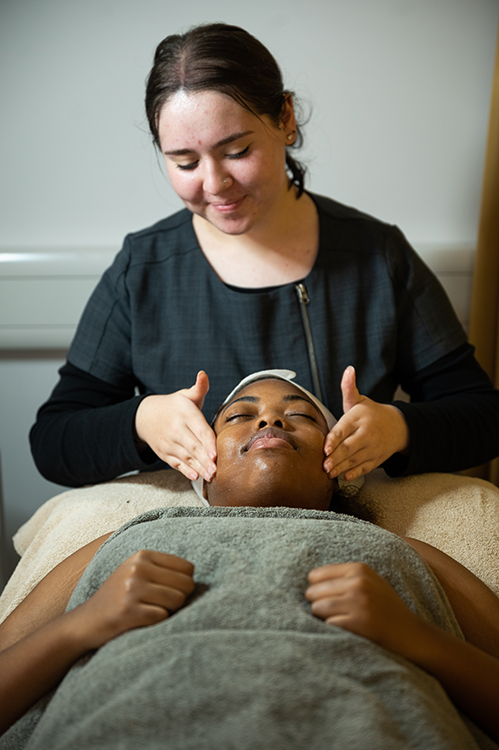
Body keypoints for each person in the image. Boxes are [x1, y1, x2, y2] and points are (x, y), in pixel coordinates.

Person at [30, 22, 499, 492]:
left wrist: (399, 428)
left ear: (286, 118)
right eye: (185, 163)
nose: (214, 184)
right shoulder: (143, 270)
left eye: (237, 150)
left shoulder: (377, 256)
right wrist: (140, 420)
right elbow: (53, 441)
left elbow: (483, 416)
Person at [2, 374, 499, 747]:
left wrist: (416, 638)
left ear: (341, 467)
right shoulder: (131, 539)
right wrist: (81, 626)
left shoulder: (400, 550)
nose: (270, 420)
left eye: (302, 415)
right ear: (201, 463)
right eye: (240, 415)